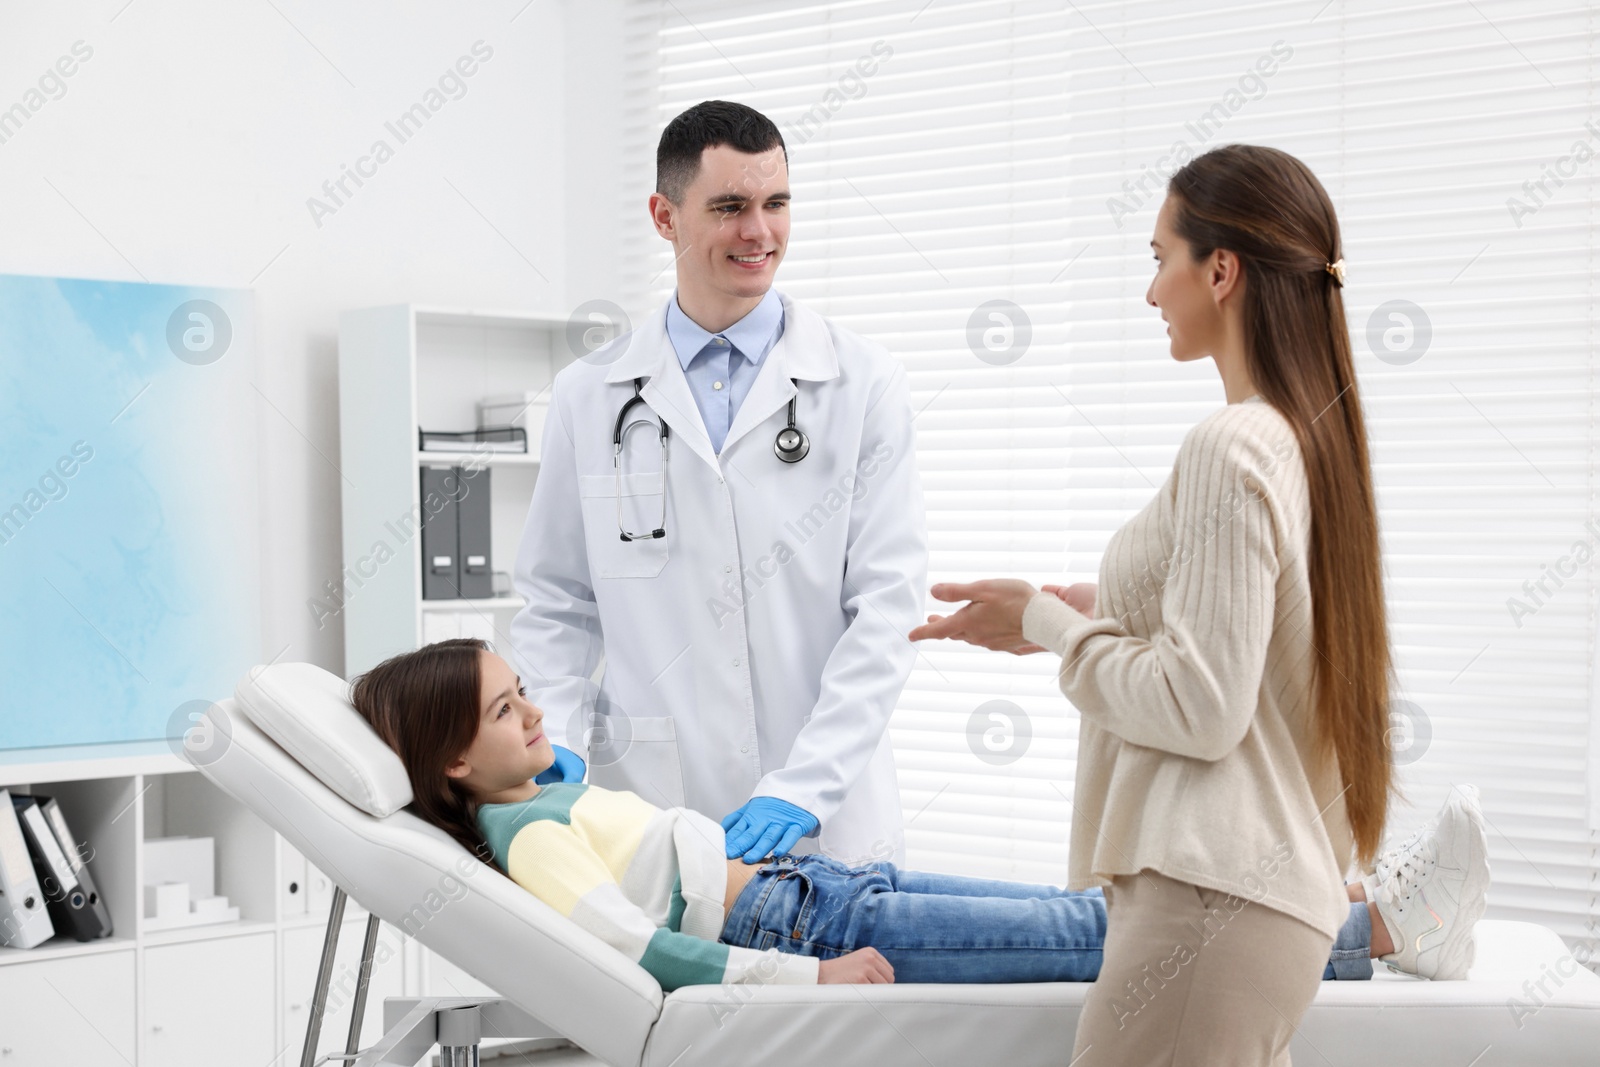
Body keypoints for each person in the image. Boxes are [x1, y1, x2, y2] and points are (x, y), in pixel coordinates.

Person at [907, 143, 1421, 1064]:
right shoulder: (1301, 442)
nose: (1150, 293)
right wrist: (1097, 606)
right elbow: (1255, 645)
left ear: (1220, 269)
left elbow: (1202, 704)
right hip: (1249, 913)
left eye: (1158, 258)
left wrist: (1048, 622)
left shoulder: (1231, 446)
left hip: (1212, 905)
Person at [348, 639, 1490, 992]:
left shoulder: (534, 796)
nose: (534, 706)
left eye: (522, 688)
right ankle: (1385, 932)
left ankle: (1324, 907)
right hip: (802, 930)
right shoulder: (528, 835)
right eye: (507, 706)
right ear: (452, 756)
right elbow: (634, 947)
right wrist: (812, 977)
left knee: (1089, 910)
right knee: (1096, 936)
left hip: (820, 886)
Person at [509, 99, 926, 868]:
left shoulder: (863, 382)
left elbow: (888, 609)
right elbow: (557, 601)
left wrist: (806, 783)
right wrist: (556, 740)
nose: (758, 232)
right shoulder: (590, 392)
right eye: (730, 207)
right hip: (651, 811)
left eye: (776, 205)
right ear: (665, 217)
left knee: (841, 985)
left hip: (829, 815)